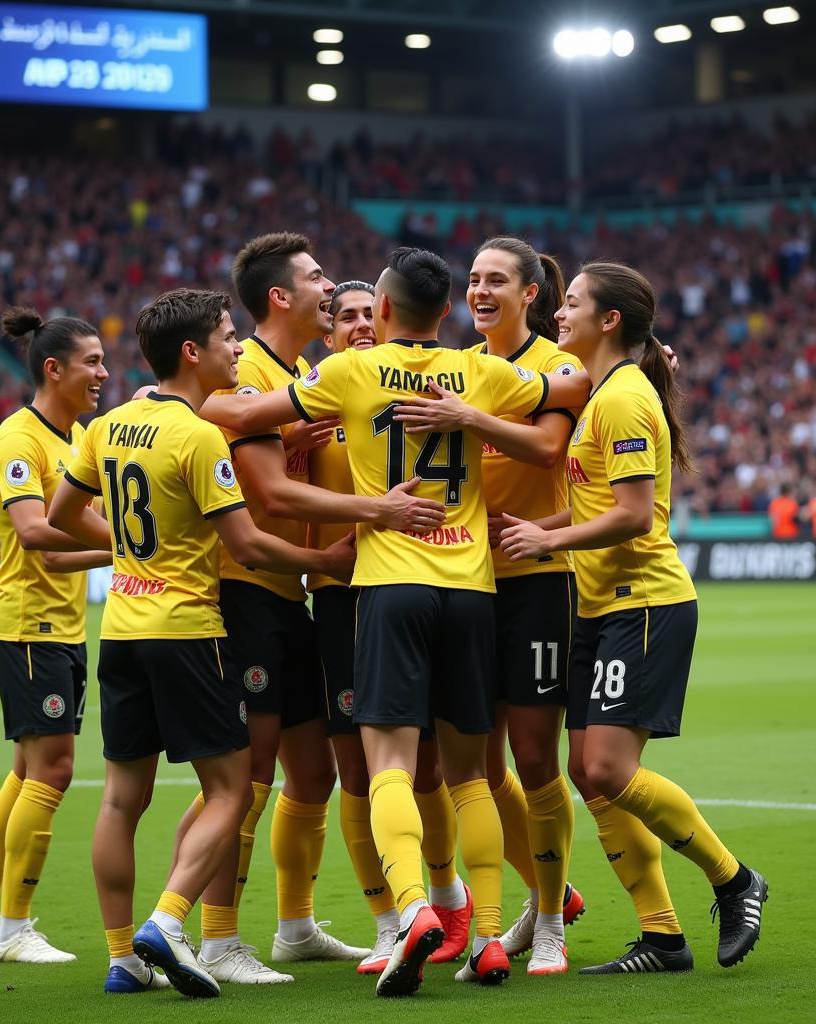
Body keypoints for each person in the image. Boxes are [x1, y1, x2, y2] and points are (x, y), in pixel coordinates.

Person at [198, 246, 592, 998]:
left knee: (386, 766)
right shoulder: (478, 372)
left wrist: (175, 397)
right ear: (446, 312)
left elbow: (238, 411)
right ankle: (485, 935)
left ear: (380, 313)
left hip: (386, 584)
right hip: (473, 588)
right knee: (472, 774)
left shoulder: (349, 372)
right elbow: (570, 381)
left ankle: (410, 909)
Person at [48, 288, 356, 998]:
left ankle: (123, 958)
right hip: (187, 630)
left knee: (122, 801)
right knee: (233, 787)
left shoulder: (110, 424)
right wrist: (322, 563)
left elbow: (66, 514)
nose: (237, 348)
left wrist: (130, 553)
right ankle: (171, 921)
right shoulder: (198, 436)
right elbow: (246, 543)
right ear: (192, 352)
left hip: (121, 627)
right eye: (225, 337)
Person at [170, 234, 442, 985]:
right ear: (282, 298)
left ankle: (294, 925)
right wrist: (368, 517)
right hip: (247, 587)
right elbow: (269, 489)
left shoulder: (303, 376)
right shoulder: (250, 369)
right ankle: (211, 936)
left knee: (312, 775)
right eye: (319, 278)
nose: (332, 289)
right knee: (246, 775)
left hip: (290, 594)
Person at [499, 261, 768, 974]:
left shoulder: (620, 400)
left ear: (608, 320)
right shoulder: (606, 391)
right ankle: (663, 938)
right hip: (599, 607)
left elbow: (633, 515)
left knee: (609, 769)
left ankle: (736, 880)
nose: (561, 313)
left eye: (574, 304)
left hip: (643, 605)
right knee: (586, 774)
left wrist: (547, 539)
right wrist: (532, 525)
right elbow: (595, 505)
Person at [392, 237, 588, 974]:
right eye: (472, 279)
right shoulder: (460, 368)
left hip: (537, 579)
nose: (480, 290)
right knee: (481, 769)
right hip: (466, 584)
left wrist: (469, 418)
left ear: (530, 293)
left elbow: (544, 451)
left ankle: (548, 929)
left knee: (536, 759)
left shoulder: (552, 366)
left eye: (496, 279)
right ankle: (539, 897)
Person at [308, 280, 471, 974]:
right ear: (329, 331)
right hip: (344, 594)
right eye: (341, 317)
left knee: (433, 763)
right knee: (360, 767)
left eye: (361, 315)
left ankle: (450, 897)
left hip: (413, 584)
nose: (355, 327)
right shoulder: (317, 395)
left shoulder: (403, 388)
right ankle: (388, 919)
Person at [0, 307, 112, 964]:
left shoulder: (75, 439)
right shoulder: (20, 440)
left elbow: (72, 544)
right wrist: (132, 547)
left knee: (27, 769)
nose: (103, 372)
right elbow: (36, 536)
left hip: (61, 623)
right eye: (92, 362)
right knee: (56, 768)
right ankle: (15, 929)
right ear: (54, 368)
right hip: (27, 625)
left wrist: (119, 552)